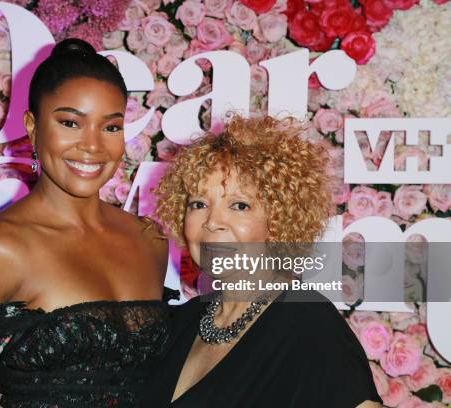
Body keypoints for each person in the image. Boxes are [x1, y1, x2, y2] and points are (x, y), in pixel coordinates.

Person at [0, 38, 177, 408]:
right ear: (32, 126)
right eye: (70, 122)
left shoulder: (148, 239)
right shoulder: (0, 251)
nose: (92, 146)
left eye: (110, 127)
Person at [143, 114, 383, 407]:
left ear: (279, 219)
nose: (213, 221)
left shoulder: (309, 326)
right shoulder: (182, 322)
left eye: (239, 205)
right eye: (199, 204)